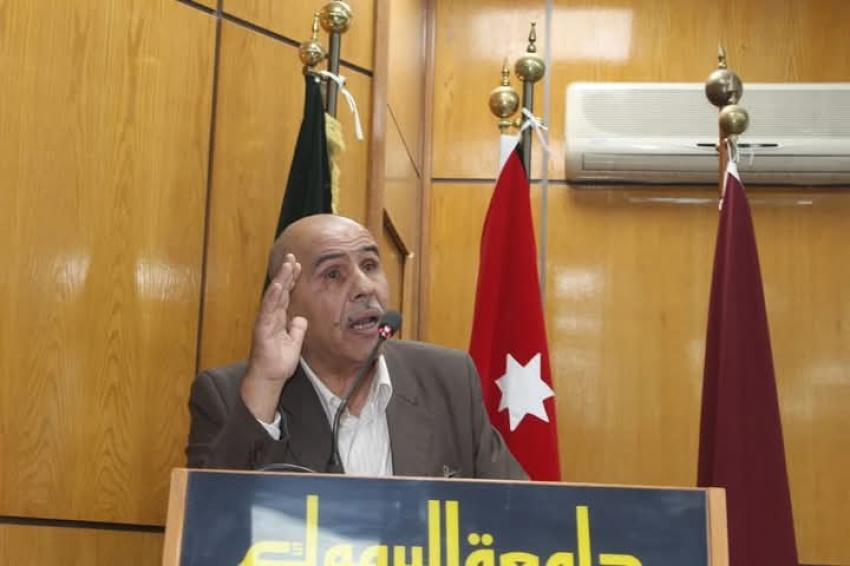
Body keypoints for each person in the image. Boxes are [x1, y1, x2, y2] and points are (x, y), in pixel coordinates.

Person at [186, 214, 526, 479]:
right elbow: (212, 526)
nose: (365, 287)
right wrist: (266, 388)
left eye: (369, 265)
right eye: (333, 274)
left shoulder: (448, 381)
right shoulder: (228, 397)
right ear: (287, 303)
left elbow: (519, 516)